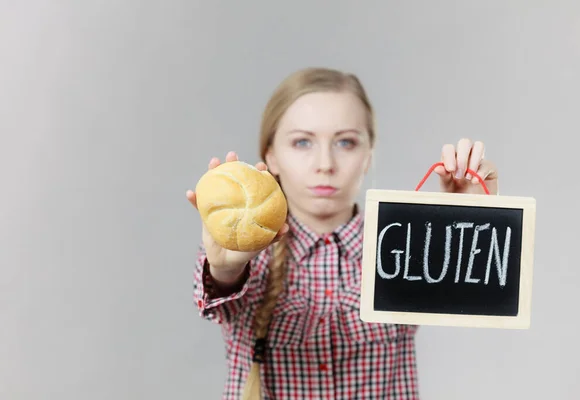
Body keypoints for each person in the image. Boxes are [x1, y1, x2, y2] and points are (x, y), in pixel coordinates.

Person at [186, 67, 499, 400]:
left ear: (368, 156)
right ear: (271, 157)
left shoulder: (403, 245)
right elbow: (220, 299)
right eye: (302, 142)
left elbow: (477, 295)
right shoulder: (251, 257)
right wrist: (226, 270)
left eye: (346, 142)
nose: (325, 163)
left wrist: (467, 222)